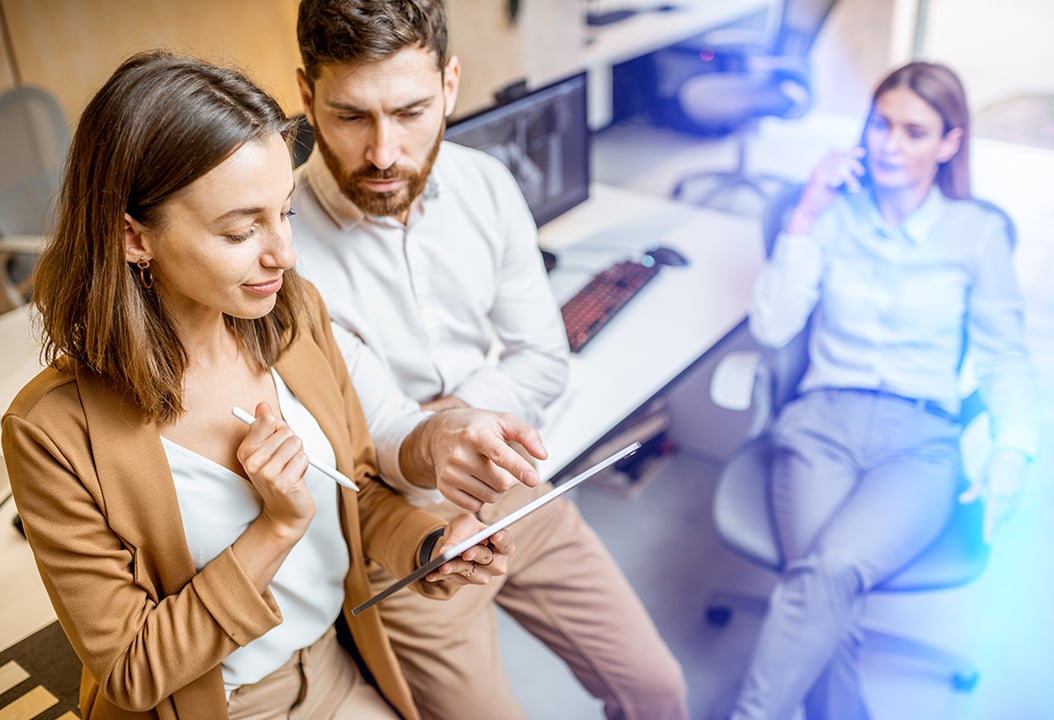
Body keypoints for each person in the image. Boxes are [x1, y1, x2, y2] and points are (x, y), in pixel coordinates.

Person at [1, 50, 519, 720]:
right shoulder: (51, 432)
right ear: (134, 237)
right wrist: (273, 529)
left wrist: (429, 545)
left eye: (286, 215)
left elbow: (356, 493)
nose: (283, 254)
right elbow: (131, 672)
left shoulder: (291, 315)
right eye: (243, 229)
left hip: (333, 667)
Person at [288, 1, 689, 718]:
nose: (383, 153)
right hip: (405, 538)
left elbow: (545, 361)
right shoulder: (285, 249)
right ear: (305, 95)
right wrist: (441, 433)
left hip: (514, 490)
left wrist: (457, 418)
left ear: (449, 85)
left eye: (410, 111)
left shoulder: (486, 186)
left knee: (658, 689)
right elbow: (377, 435)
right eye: (351, 116)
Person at [724, 61, 1039, 719]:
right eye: (880, 124)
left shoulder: (976, 234)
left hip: (918, 441)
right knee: (824, 584)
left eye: (914, 132)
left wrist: (1014, 451)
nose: (887, 145)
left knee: (828, 571)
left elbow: (1005, 356)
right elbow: (772, 324)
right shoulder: (833, 214)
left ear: (950, 143)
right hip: (820, 425)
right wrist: (806, 212)